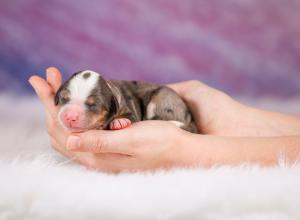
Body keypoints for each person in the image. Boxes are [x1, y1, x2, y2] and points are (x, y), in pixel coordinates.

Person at [29, 67, 300, 172]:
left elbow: (130, 114)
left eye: (91, 106)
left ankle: (179, 124)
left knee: (164, 98)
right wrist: (241, 121)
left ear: (112, 106)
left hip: (159, 103)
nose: (72, 113)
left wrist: (185, 149)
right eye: (64, 99)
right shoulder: (106, 97)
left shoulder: (120, 101)